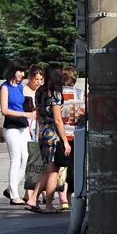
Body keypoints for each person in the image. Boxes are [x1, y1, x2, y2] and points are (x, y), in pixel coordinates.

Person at [34, 66, 70, 215]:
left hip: (42, 132)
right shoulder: (54, 94)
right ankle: (47, 204)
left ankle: (33, 199)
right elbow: (57, 119)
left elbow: (37, 114)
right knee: (53, 170)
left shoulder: (39, 92)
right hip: (52, 134)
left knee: (48, 169)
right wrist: (65, 141)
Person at [0, 62, 32, 205]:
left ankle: (10, 188)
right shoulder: (5, 87)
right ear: (13, 71)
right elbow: (4, 110)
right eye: (21, 71)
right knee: (16, 160)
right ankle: (14, 195)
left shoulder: (21, 87)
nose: (23, 75)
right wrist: (25, 114)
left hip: (23, 126)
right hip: (11, 127)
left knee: (27, 160)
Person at [56, 66, 84, 212]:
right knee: (75, 168)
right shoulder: (81, 94)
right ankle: (68, 194)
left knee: (61, 167)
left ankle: (63, 198)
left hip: (61, 136)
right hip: (77, 135)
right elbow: (85, 114)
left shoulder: (57, 94)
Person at [21, 66, 45, 209]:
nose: (38, 82)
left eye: (41, 79)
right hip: (29, 126)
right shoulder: (24, 91)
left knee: (41, 160)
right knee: (32, 159)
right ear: (30, 78)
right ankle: (29, 191)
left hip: (41, 128)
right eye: (36, 79)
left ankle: (37, 190)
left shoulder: (43, 91)